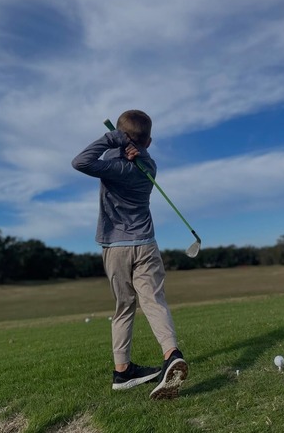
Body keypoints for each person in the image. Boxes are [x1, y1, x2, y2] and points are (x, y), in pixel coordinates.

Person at [72, 110, 188, 399]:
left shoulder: (112, 164)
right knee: (153, 300)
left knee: (124, 308)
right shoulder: (149, 165)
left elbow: (80, 162)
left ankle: (122, 371)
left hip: (115, 248)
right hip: (146, 244)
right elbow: (141, 157)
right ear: (148, 140)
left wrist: (110, 140)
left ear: (121, 137)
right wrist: (132, 149)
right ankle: (171, 353)